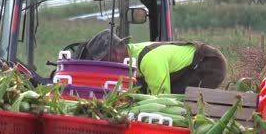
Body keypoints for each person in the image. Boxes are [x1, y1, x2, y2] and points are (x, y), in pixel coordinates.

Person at [79, 30, 228, 94]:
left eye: (105, 61)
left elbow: (161, 98)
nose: (107, 67)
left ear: (115, 54)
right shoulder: (132, 55)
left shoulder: (148, 60)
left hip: (208, 64)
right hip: (192, 64)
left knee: (182, 102)